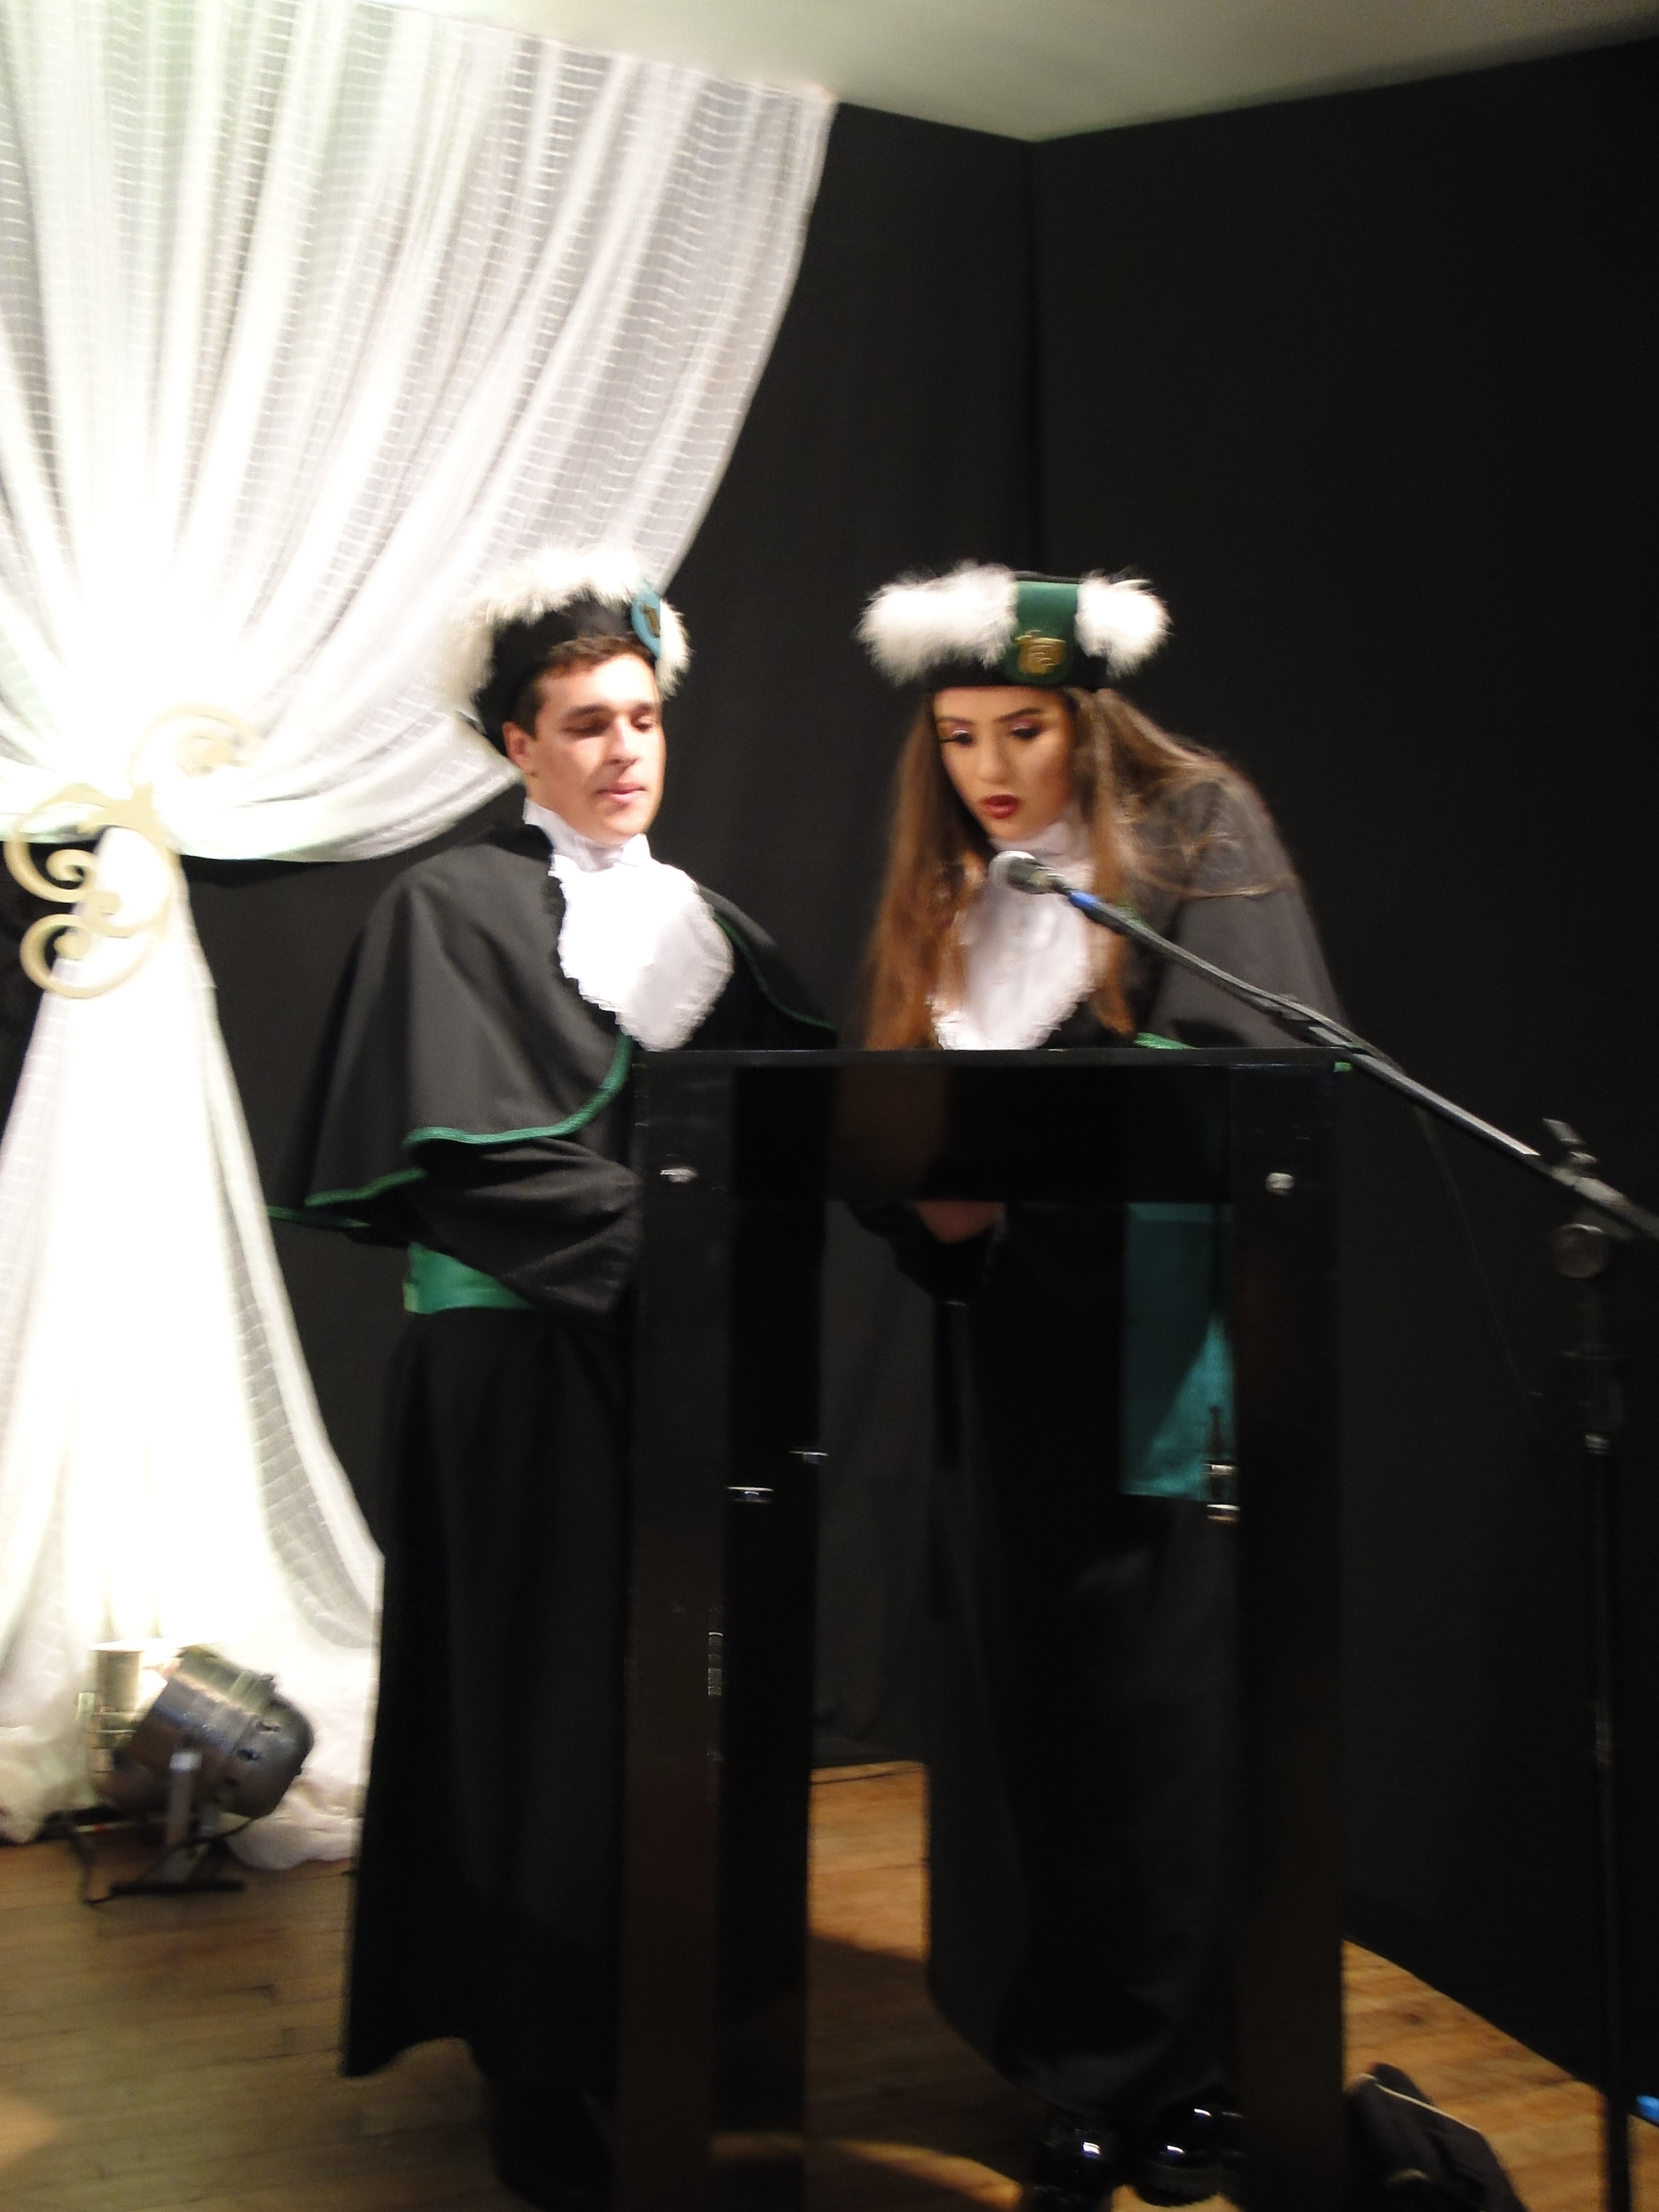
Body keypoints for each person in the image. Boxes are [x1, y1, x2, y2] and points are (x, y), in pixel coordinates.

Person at [275, 550, 831, 2212]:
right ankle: (529, 2062)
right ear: (516, 744)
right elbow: (468, 1168)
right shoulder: (449, 911)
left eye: (641, 718)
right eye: (584, 724)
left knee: (669, 1724)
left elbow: (814, 1127)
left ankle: (645, 2020)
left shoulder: (719, 935)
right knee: (535, 1726)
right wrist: (686, 1244)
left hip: (683, 1388)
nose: (622, 751)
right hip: (521, 1383)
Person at [854, 564, 1340, 2209]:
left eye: (1025, 729)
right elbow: (902, 1124)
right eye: (960, 736)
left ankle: (1179, 2070)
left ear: (1091, 720)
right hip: (1007, 1362)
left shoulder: (1198, 835)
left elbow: (1253, 1091)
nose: (991, 769)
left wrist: (1033, 1170)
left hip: (1159, 1355)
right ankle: (1063, 2060)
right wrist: (925, 1199)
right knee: (1029, 1712)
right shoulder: (951, 887)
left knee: (1162, 1719)